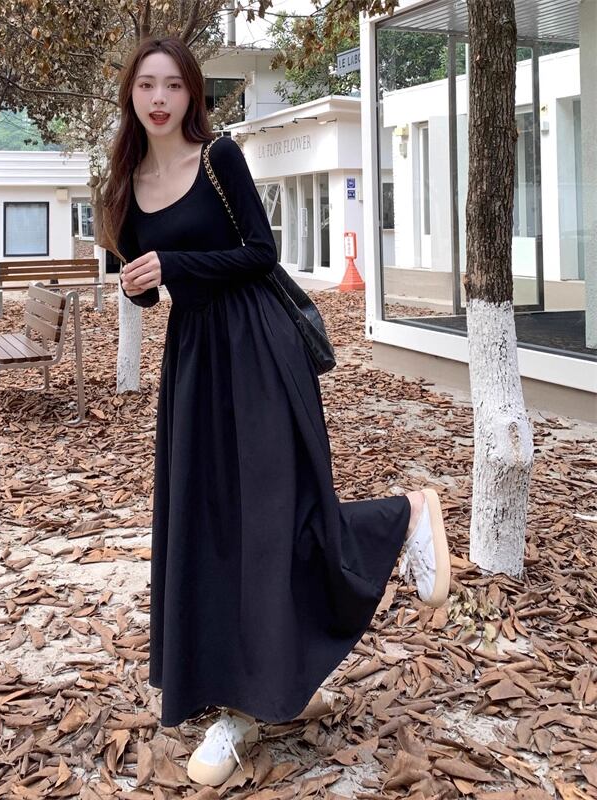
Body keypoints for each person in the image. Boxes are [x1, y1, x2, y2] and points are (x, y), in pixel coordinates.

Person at [100, 36, 451, 788]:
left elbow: (260, 252)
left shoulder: (219, 158)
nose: (159, 99)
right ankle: (261, 689)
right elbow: (149, 293)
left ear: (192, 94)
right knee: (208, 523)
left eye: (173, 86)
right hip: (194, 362)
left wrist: (176, 263)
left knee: (273, 517)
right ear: (130, 94)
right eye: (147, 85)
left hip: (257, 345)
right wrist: (138, 282)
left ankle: (406, 516)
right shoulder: (124, 187)